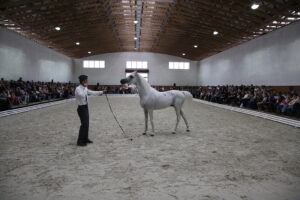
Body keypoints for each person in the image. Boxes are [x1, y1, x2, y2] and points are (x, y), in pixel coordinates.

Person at [75, 75, 105, 147]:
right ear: (82, 81)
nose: (87, 82)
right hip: (81, 108)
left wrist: (101, 92)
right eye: (85, 81)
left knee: (87, 124)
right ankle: (80, 141)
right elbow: (82, 95)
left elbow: (91, 92)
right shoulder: (78, 88)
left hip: (86, 107)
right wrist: (85, 89)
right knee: (84, 124)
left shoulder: (85, 88)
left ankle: (85, 138)